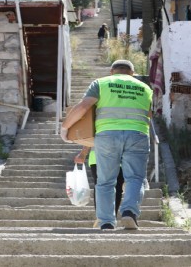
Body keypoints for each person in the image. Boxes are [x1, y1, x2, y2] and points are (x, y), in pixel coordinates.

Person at [61, 59, 153, 230]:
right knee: (135, 178)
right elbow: (149, 114)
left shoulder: (101, 83)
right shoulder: (146, 88)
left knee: (105, 181)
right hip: (138, 134)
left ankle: (106, 222)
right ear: (132, 73)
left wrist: (65, 127)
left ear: (112, 72)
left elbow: (84, 107)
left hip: (107, 135)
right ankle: (129, 213)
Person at [74, 146, 124, 226]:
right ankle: (109, 219)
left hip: (98, 155)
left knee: (101, 186)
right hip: (117, 154)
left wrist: (83, 153)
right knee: (117, 187)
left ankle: (102, 218)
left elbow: (90, 135)